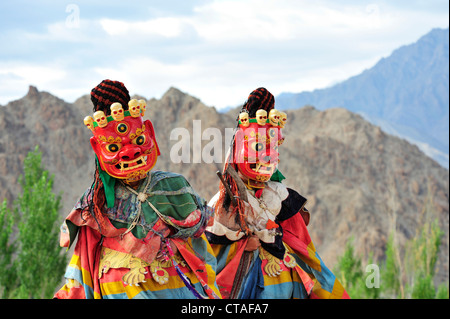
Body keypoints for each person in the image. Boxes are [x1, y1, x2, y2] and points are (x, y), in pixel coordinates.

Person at [54, 80, 220, 299]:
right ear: (97, 148)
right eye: (114, 147)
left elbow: (199, 236)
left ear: (149, 132)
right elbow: (83, 258)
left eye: (138, 140)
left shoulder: (172, 186)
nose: (129, 152)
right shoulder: (94, 200)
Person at [205, 87, 349, 299]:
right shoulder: (223, 203)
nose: (266, 157)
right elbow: (210, 255)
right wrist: (243, 245)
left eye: (271, 148)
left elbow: (299, 238)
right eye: (257, 148)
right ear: (238, 150)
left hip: (284, 267)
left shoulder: (278, 193)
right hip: (248, 281)